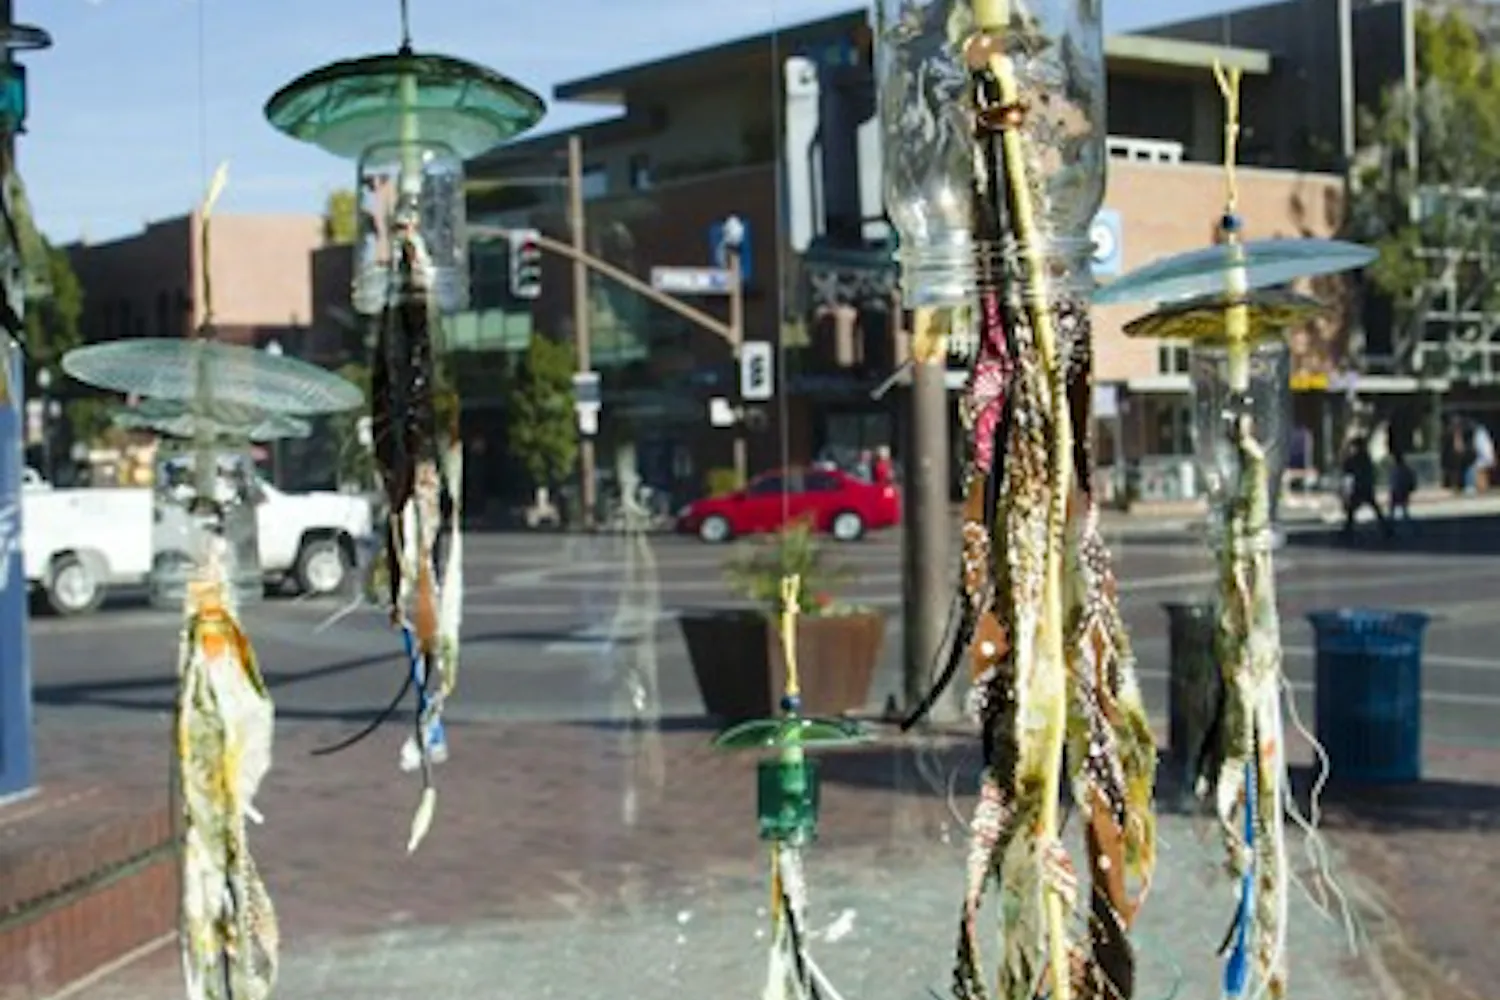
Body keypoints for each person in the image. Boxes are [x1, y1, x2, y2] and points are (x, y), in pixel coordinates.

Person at [1341, 435, 1391, 541]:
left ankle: (1348, 530)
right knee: (1370, 507)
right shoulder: (1365, 457)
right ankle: (1385, 527)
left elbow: (1347, 469)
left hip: (1360, 486)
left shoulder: (1357, 458)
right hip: (1365, 486)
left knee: (1353, 509)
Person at [1389, 449, 1417, 533]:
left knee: (1395, 508)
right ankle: (1394, 524)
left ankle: (1392, 524)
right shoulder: (1405, 469)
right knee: (1401, 508)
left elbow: (1394, 480)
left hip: (1398, 490)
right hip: (1402, 490)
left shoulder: (1397, 469)